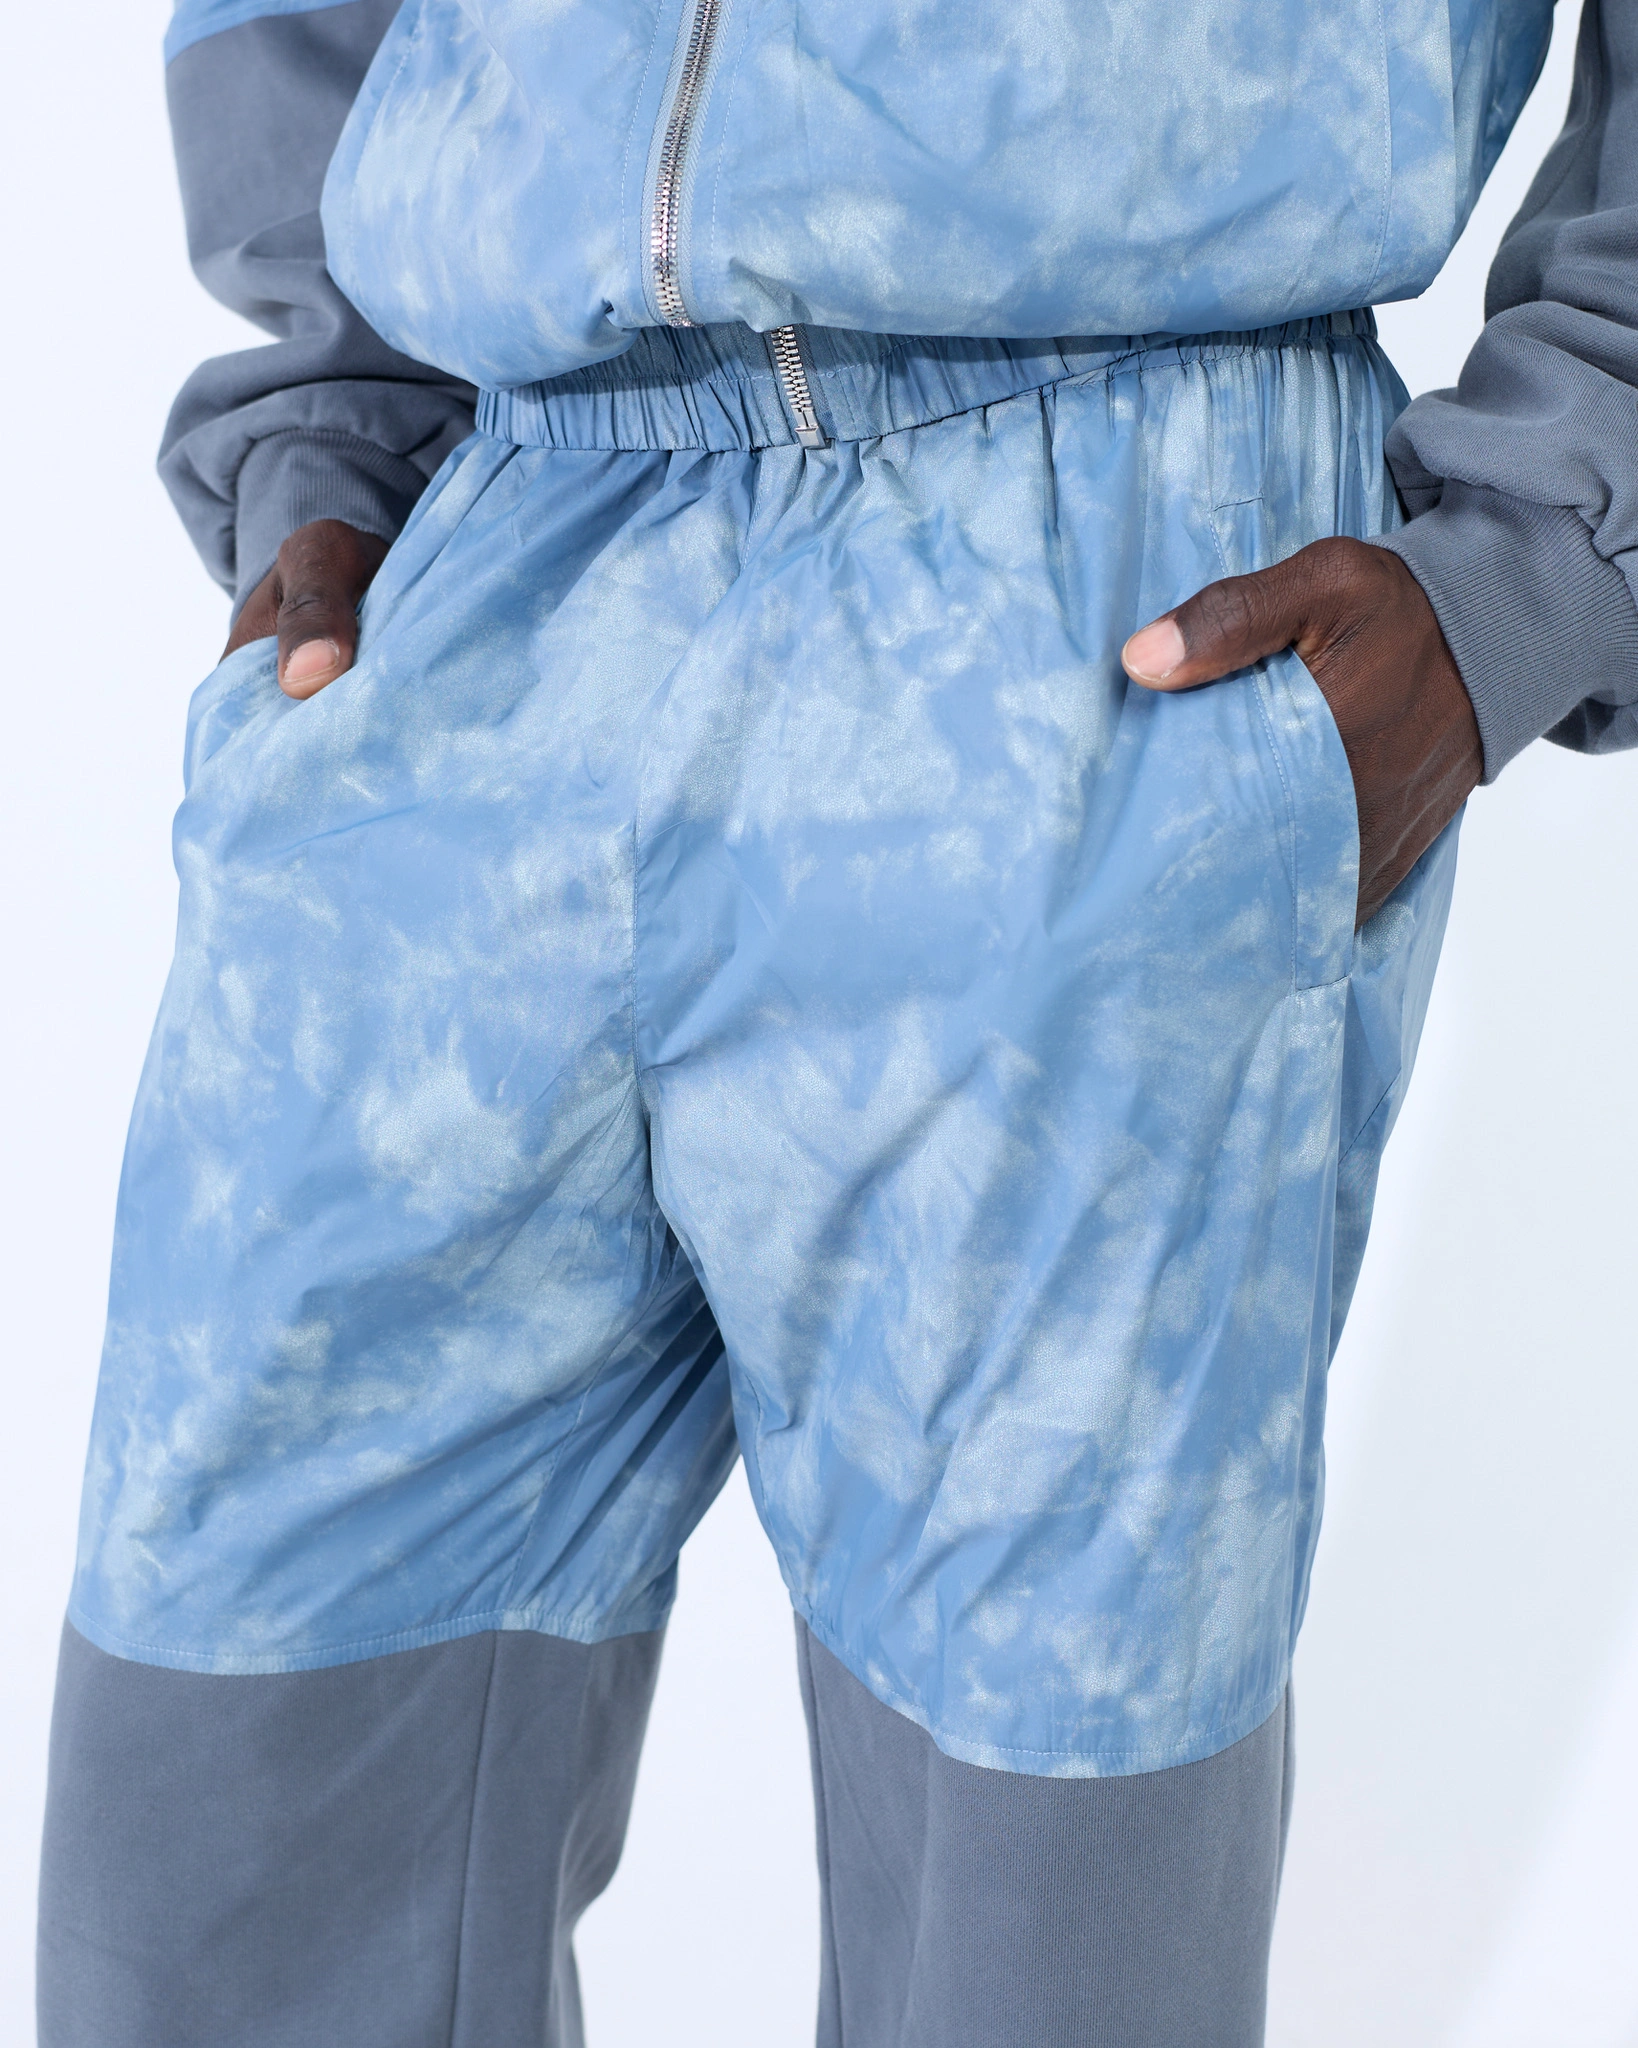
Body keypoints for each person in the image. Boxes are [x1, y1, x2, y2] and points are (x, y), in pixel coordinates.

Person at [36, 1, 1638, 2043]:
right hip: (479, 560)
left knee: (1037, 1929)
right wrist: (324, 422)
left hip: (1111, 600)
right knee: (216, 1868)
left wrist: (1532, 556)